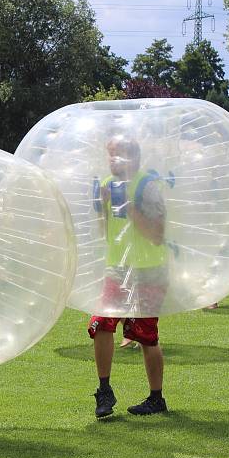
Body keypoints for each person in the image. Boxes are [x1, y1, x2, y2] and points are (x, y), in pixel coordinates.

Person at [88, 134, 169, 418]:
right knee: (101, 324)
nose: (112, 160)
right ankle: (104, 391)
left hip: (149, 271)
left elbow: (158, 236)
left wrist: (129, 208)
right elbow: (105, 232)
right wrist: (102, 206)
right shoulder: (108, 185)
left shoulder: (148, 186)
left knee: (146, 336)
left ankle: (156, 398)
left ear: (133, 158)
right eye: (109, 154)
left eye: (117, 154)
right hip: (117, 268)